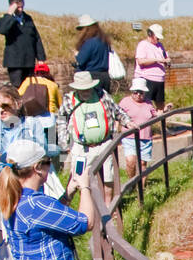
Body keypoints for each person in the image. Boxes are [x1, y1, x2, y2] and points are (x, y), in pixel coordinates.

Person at [56, 72, 134, 229]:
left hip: (104, 144)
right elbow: (60, 121)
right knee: (77, 179)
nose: (86, 92)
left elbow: (116, 110)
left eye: (88, 89)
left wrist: (127, 122)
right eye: (83, 90)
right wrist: (64, 145)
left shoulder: (101, 95)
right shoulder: (69, 100)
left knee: (108, 177)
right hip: (81, 148)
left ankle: (107, 211)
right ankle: (68, 211)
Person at [0, 85, 60, 198]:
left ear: (18, 104)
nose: (1, 110)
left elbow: (41, 155)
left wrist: (5, 160)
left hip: (31, 189)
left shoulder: (32, 125)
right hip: (4, 191)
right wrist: (23, 165)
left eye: (5, 106)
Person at [117, 78, 171, 177]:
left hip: (145, 138)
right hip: (130, 137)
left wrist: (165, 110)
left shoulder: (148, 103)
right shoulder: (125, 102)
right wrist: (116, 131)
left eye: (141, 92)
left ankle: (141, 188)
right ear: (132, 91)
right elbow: (117, 116)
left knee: (142, 164)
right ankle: (131, 182)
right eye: (135, 92)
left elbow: (155, 115)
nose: (138, 95)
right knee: (131, 161)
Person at [0, 0, 46, 87]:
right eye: (18, 7)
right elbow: (2, 30)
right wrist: (10, 14)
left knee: (29, 88)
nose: (20, 9)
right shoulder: (5, 19)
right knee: (17, 88)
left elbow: (36, 38)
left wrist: (41, 58)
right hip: (15, 62)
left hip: (29, 61)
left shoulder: (28, 18)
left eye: (22, 6)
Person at [74, 16, 113, 99]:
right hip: (105, 76)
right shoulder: (103, 41)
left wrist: (77, 55)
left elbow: (81, 60)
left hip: (91, 77)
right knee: (105, 103)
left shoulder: (89, 42)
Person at [134, 24, 169, 107]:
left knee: (160, 104)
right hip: (147, 78)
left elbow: (164, 57)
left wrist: (166, 61)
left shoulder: (160, 45)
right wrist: (156, 60)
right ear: (150, 34)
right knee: (146, 105)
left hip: (159, 79)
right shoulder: (143, 44)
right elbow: (141, 61)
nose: (158, 39)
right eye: (156, 37)